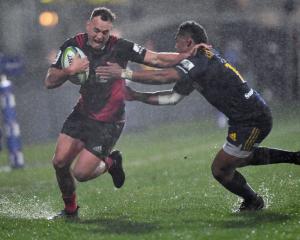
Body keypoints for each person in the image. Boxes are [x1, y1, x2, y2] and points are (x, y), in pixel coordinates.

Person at [96, 20, 300, 211]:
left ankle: (253, 201)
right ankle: (291, 161)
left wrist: (124, 73)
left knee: (221, 169)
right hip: (245, 119)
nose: (175, 47)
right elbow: (172, 97)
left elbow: (163, 75)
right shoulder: (198, 60)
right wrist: (136, 96)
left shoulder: (199, 60)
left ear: (189, 41)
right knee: (236, 161)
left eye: (177, 41)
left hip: (252, 119)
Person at [44, 8, 203, 219]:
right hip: (82, 114)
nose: (100, 36)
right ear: (88, 25)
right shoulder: (73, 46)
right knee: (59, 163)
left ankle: (111, 162)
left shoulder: (120, 47)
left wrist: (186, 55)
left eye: (105, 32)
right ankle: (70, 211)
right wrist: (69, 71)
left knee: (81, 174)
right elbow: (49, 81)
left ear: (111, 31)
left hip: (109, 123)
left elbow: (155, 59)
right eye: (97, 30)